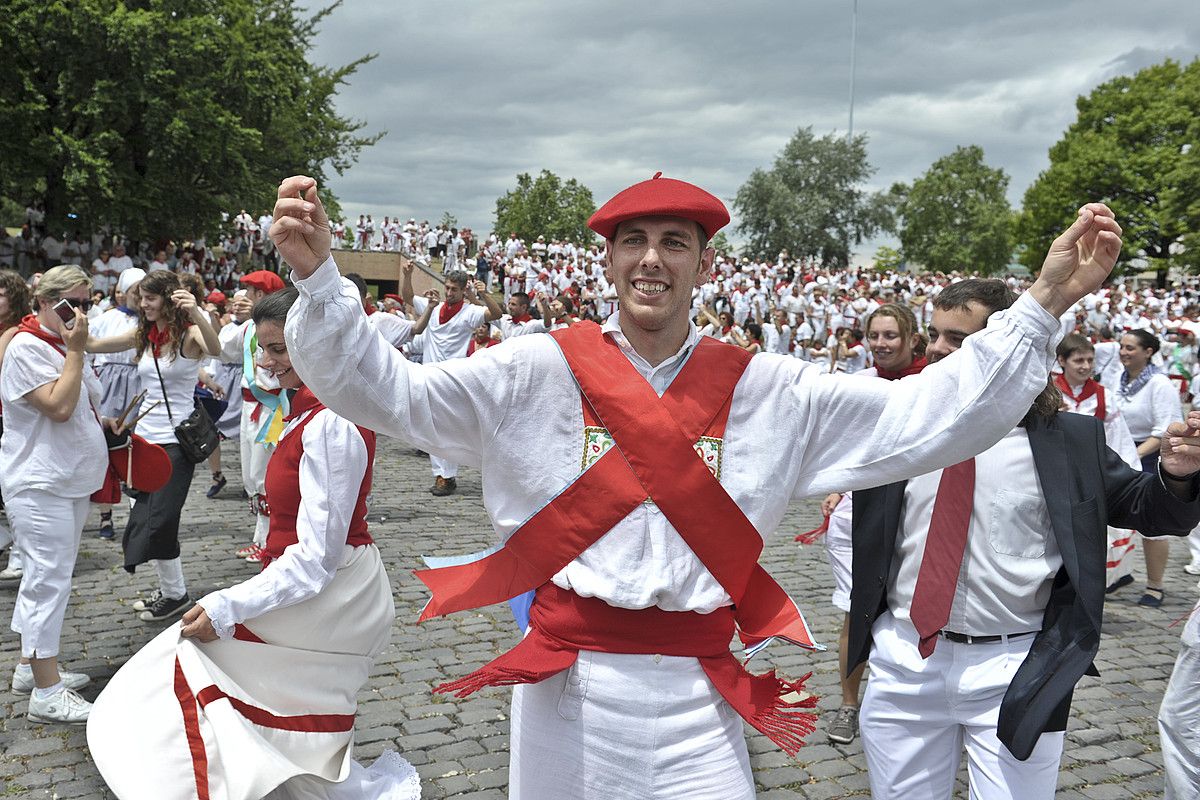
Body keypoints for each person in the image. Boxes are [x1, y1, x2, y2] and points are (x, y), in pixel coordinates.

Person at [273, 173, 1121, 799]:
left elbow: (929, 417)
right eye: (634, 242)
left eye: (675, 242)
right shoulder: (533, 370)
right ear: (605, 259)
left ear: (705, 265)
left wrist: (1043, 298)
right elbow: (393, 394)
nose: (653, 260)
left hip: (701, 687)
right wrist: (319, 279)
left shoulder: (771, 389)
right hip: (568, 683)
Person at [847, 279, 1200, 800]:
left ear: (1012, 345)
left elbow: (1151, 510)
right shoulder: (899, 425)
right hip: (904, 664)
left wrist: (1178, 476)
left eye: (960, 339)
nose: (941, 350)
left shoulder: (1070, 442)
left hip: (1017, 671)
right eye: (937, 336)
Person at [87, 287, 420, 800]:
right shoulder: (313, 410)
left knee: (193, 662)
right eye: (263, 348)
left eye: (279, 349)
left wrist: (226, 603)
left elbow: (316, 559)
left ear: (318, 345)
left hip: (336, 593)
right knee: (262, 699)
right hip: (320, 582)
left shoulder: (331, 422)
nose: (265, 361)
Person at [0, 265, 110, 723]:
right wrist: (76, 352)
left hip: (66, 479)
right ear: (44, 302)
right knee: (49, 579)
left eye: (86, 302)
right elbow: (60, 407)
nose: (81, 312)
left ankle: (31, 666)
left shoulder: (54, 345)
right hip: (39, 480)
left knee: (46, 575)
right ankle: (46, 693)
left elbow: (86, 403)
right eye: (72, 303)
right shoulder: (26, 346)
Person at [817, 303, 927, 746]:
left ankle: (911, 701)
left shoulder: (929, 384)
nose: (881, 345)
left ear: (913, 339)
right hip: (857, 516)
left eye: (891, 336)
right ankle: (848, 703)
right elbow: (841, 446)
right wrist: (837, 485)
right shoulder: (857, 385)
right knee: (857, 609)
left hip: (916, 512)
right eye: (875, 336)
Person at [88, 270, 222, 622]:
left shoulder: (189, 335)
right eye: (140, 297)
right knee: (148, 516)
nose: (142, 304)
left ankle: (173, 593)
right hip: (142, 440)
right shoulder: (144, 336)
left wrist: (196, 312)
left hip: (177, 441)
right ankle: (174, 593)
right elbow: (94, 345)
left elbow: (216, 348)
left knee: (159, 519)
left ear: (168, 298)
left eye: (149, 298)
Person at [399, 264, 502, 496]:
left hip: (454, 377)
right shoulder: (433, 307)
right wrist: (406, 276)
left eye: (454, 289)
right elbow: (407, 297)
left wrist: (484, 294)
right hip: (428, 375)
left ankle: (449, 474)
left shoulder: (469, 312)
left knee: (450, 427)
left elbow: (495, 314)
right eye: (447, 287)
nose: (449, 293)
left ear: (463, 289)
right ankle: (441, 474)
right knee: (430, 426)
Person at [1054, 333, 1142, 592]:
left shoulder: (1104, 396)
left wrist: (1129, 480)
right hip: (1054, 475)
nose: (1085, 366)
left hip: (1089, 479)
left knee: (1088, 537)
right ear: (1062, 361)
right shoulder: (1047, 392)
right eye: (1078, 360)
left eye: (1090, 360)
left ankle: (1087, 587)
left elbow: (1119, 440)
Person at [1107, 329, 1183, 607]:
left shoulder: (1159, 384)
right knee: (1112, 521)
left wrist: (1133, 454)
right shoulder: (1117, 378)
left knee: (1153, 527)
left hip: (1149, 456)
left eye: (1131, 348)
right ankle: (1116, 575)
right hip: (1118, 450)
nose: (1124, 352)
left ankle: (1155, 586)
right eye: (1122, 347)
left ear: (1148, 352)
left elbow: (1165, 429)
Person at [217, 271, 288, 560]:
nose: (245, 296)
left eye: (250, 291)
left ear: (262, 295)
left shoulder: (283, 327)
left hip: (272, 408)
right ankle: (261, 537)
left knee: (262, 475)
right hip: (249, 406)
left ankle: (270, 540)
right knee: (250, 475)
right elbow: (221, 350)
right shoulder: (248, 328)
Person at [88, 267, 146, 538]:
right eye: (135, 289)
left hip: (140, 383)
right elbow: (90, 350)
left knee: (137, 447)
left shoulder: (152, 320)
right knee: (107, 445)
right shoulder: (107, 318)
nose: (139, 296)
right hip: (111, 381)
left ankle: (140, 508)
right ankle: (105, 514)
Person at [0, 269, 33, 580]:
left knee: (9, 488)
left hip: (7, 416)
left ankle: (19, 553)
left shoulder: (15, 332)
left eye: (0, 294)